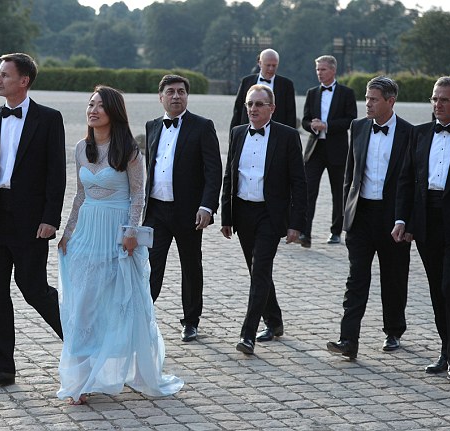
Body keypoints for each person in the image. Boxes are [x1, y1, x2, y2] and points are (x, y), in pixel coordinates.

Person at [56, 85, 183, 405]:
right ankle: (81, 380)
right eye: (90, 104)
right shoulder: (80, 148)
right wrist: (68, 232)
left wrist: (130, 232)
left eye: (100, 105)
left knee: (122, 304)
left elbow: (138, 194)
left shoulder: (128, 150)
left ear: (113, 111)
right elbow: (80, 194)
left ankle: (127, 368)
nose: (93, 110)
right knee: (83, 306)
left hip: (117, 235)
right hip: (87, 233)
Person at [0, 53, 65, 389]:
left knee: (34, 289)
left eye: (4, 75)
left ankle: (82, 345)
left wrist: (50, 218)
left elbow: (56, 174)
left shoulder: (49, 119)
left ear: (24, 80)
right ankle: (3, 367)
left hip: (31, 220)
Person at [326, 76, 412, 360]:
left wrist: (405, 220)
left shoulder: (409, 133)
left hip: (393, 218)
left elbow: (411, 181)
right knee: (356, 279)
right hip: (361, 216)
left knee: (394, 277)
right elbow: (349, 174)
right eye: (367, 98)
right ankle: (348, 339)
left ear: (390, 101)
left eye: (374, 99)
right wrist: (346, 214)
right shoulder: (358, 126)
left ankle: (393, 331)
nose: (368, 103)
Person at [220, 84, 307, 355]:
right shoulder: (237, 133)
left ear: (272, 108)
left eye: (259, 104)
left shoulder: (288, 136)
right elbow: (229, 176)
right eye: (250, 104)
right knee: (257, 271)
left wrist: (296, 223)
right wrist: (226, 216)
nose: (253, 109)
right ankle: (274, 320)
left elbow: (299, 182)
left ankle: (247, 335)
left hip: (271, 214)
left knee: (259, 271)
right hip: (243, 213)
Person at [144, 74, 222, 342]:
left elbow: (213, 171)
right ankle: (142, 316)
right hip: (156, 211)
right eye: (170, 91)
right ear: (161, 97)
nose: (176, 96)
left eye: (181, 91)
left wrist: (207, 206)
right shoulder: (152, 126)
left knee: (191, 266)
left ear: (187, 96)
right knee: (150, 266)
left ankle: (191, 321)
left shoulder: (202, 126)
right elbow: (150, 167)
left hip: (189, 212)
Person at [392, 76, 450, 382]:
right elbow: (406, 180)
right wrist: (401, 220)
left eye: (444, 99)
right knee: (436, 289)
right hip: (427, 220)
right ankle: (446, 350)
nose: (437, 104)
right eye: (434, 99)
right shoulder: (419, 134)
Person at [300, 55, 357, 248]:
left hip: (337, 149)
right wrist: (312, 125)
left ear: (333, 70)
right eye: (317, 69)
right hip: (314, 150)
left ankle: (336, 231)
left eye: (323, 69)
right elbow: (305, 120)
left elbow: (351, 120)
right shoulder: (312, 93)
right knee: (308, 191)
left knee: (338, 192)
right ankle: (304, 232)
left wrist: (327, 125)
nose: (319, 73)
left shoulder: (346, 93)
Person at [230, 49, 297, 130]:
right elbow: (238, 110)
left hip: (277, 133)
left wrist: (290, 136)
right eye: (268, 65)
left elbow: (291, 114)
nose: (271, 69)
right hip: (248, 131)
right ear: (260, 63)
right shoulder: (246, 82)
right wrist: (233, 134)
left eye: (274, 65)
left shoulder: (286, 85)